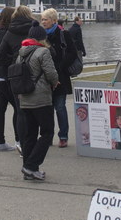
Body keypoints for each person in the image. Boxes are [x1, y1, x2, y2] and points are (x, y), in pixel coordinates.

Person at [15, 20, 59, 180]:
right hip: (40, 98)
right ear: (42, 38)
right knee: (47, 133)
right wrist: (55, 82)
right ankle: (31, 166)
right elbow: (51, 73)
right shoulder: (43, 52)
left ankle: (29, 169)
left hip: (25, 97)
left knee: (30, 135)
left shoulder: (21, 53)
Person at [0, 5, 36, 153]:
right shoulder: (33, 30)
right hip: (29, 74)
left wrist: (13, 61)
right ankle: (27, 141)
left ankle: (14, 143)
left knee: (12, 109)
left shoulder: (8, 32)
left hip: (10, 75)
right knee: (29, 109)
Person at [40, 8, 78, 148]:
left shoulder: (63, 34)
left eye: (46, 19)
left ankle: (63, 136)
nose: (43, 22)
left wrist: (61, 66)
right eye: (42, 19)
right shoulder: (41, 36)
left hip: (61, 76)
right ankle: (47, 136)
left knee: (60, 107)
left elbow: (73, 52)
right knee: (47, 109)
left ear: (54, 20)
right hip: (45, 77)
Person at [0, 6, 18, 152]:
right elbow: (3, 56)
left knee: (1, 108)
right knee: (18, 108)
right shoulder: (5, 35)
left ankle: (0, 141)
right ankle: (19, 140)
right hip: (5, 75)